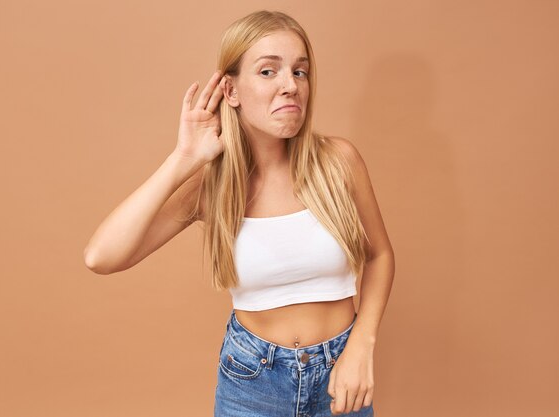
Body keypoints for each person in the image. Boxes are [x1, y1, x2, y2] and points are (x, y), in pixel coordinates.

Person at [84, 9, 394, 417]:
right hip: (253, 380)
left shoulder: (338, 161)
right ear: (230, 91)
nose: (290, 86)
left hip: (341, 376)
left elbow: (380, 256)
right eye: (268, 72)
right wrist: (182, 159)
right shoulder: (213, 187)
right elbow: (101, 257)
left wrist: (361, 346)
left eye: (300, 72)